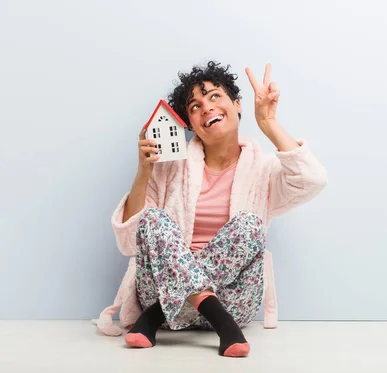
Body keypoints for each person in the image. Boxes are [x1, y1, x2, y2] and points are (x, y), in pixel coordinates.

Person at [101, 61, 327, 358]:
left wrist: (269, 123)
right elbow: (130, 242)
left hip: (232, 299)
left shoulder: (263, 170)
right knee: (153, 219)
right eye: (194, 106)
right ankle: (216, 322)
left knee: (249, 224)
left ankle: (155, 316)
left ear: (237, 105)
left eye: (214, 96)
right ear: (191, 125)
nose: (206, 107)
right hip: (165, 290)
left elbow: (313, 180)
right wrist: (144, 172)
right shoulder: (169, 170)